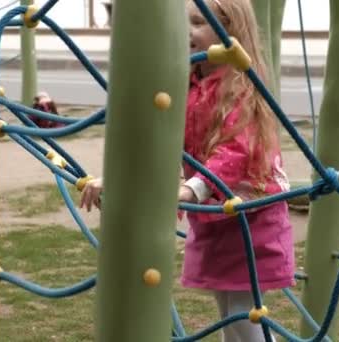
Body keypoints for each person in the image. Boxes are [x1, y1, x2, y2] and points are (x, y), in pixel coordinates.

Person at [80, 0, 294, 341]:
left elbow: (236, 149)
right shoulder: (186, 82)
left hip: (248, 218)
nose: (188, 31)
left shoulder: (240, 85)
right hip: (214, 215)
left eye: (198, 22)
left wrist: (193, 187)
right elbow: (159, 144)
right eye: (184, 22)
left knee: (243, 313)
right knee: (229, 312)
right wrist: (117, 178)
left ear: (230, 30)